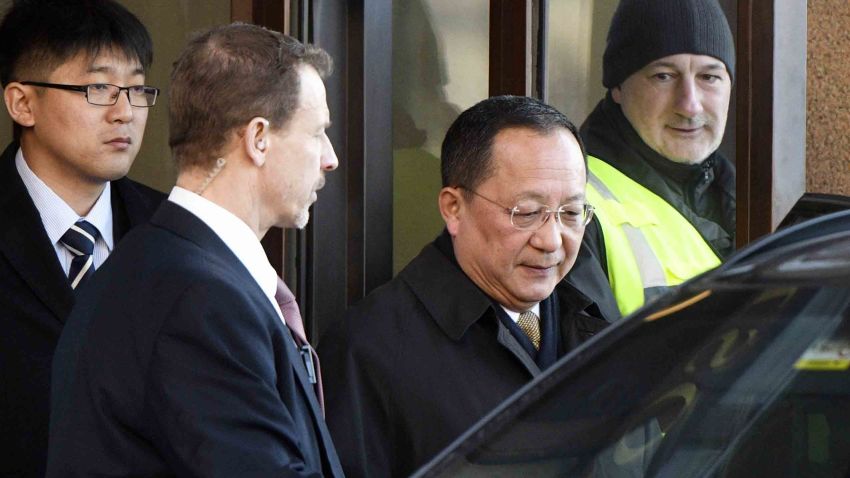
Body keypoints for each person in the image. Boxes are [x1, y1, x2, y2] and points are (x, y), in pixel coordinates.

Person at [47, 23, 342, 477]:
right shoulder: (198, 300)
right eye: (317, 132)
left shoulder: (161, 263)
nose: (329, 157)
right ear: (258, 138)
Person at [320, 95, 609, 477]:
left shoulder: (595, 317)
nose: (552, 240)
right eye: (526, 213)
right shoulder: (370, 349)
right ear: (454, 208)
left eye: (571, 213)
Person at [0, 1, 163, 475]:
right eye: (98, 88)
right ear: (22, 103)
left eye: (136, 89)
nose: (124, 113)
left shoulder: (170, 230)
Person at [573, 0, 737, 317]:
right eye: (663, 76)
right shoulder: (574, 203)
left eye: (709, 77)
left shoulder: (751, 200)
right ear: (617, 87)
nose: (690, 105)